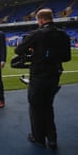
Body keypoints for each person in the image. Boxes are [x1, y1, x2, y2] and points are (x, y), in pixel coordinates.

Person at [15, 9, 70, 149]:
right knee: (48, 106)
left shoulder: (37, 34)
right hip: (54, 75)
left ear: (40, 20)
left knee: (35, 107)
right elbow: (67, 57)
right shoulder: (62, 34)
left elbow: (18, 50)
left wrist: (36, 53)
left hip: (39, 76)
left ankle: (38, 137)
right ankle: (52, 138)